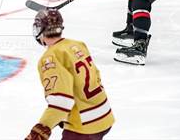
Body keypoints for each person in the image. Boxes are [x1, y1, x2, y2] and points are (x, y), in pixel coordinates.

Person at [25, 9, 114, 140]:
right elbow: (96, 76)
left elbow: (61, 102)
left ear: (39, 30)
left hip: (83, 126)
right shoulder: (77, 44)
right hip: (104, 116)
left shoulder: (50, 58)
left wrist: (42, 128)